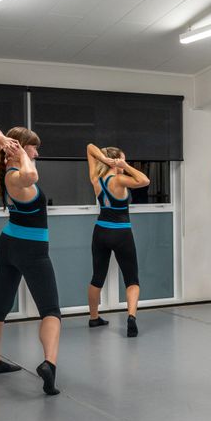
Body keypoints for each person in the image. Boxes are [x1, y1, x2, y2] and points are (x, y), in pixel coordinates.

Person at [0, 126, 61, 395]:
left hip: (7, 245)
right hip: (32, 251)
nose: (36, 153)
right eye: (34, 148)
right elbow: (32, 175)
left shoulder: (2, 170)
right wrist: (21, 155)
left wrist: (3, 141)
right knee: (51, 311)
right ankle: (49, 364)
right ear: (21, 148)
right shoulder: (18, 177)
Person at [86, 144, 150, 337]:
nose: (124, 163)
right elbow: (145, 180)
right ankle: (131, 317)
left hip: (100, 232)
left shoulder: (96, 178)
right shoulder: (120, 180)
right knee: (132, 280)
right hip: (121, 233)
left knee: (97, 277)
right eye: (123, 159)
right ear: (116, 161)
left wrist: (104, 160)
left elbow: (89, 147)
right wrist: (125, 166)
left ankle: (94, 317)